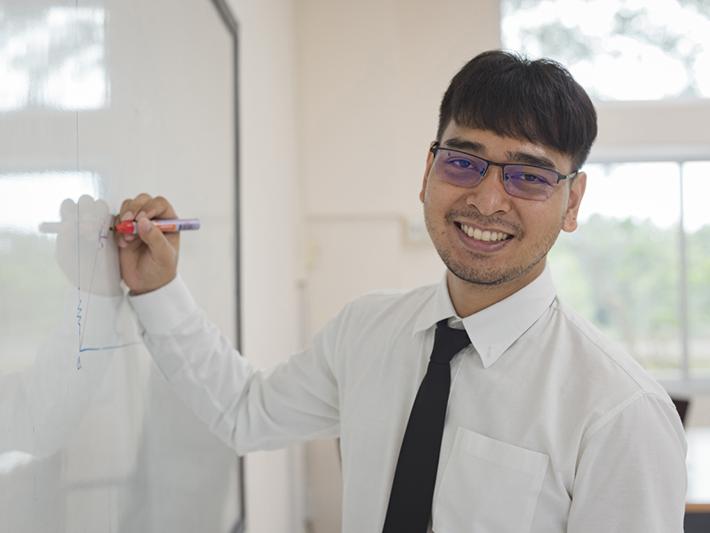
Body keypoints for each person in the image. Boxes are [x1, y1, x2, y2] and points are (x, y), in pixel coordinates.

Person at [116, 50, 687, 532]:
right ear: (427, 172)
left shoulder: (618, 411)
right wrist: (158, 290)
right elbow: (245, 413)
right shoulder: (365, 332)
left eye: (529, 176)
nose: (488, 201)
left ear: (574, 202)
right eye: (463, 162)